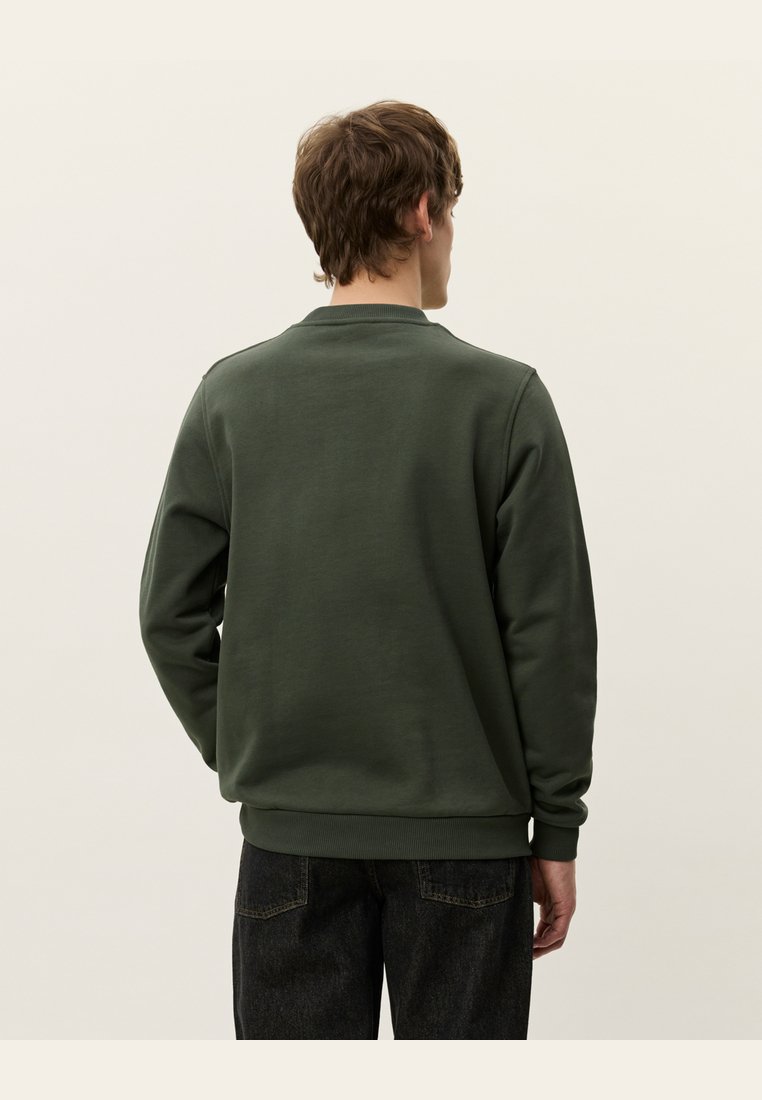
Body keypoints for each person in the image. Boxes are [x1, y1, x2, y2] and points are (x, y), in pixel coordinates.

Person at [138, 99, 598, 1040]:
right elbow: (550, 638)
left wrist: (255, 750)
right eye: (453, 213)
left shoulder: (234, 395)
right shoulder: (504, 399)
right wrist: (556, 829)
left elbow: (169, 618)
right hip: (466, 845)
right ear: (423, 212)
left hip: (289, 842)